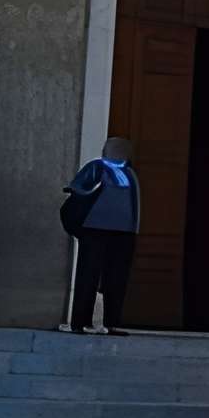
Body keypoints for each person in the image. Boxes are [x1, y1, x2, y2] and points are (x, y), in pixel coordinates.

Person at [64, 134, 140, 334]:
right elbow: (78, 187)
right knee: (89, 275)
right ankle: (80, 321)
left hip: (123, 232)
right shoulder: (97, 167)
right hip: (96, 229)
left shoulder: (129, 172)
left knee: (115, 278)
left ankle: (111, 322)